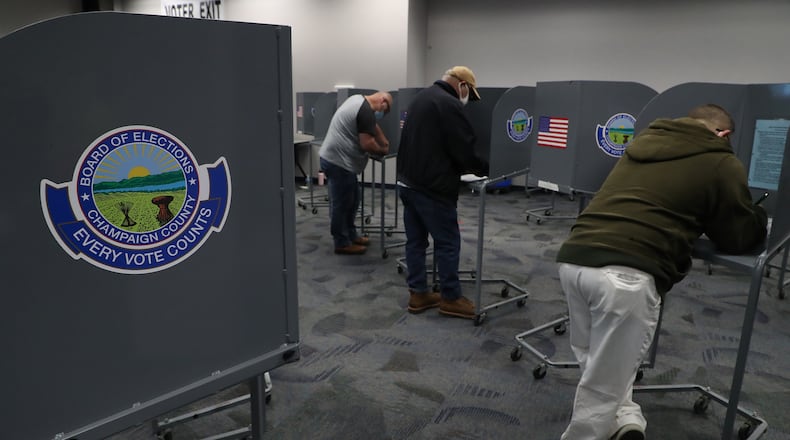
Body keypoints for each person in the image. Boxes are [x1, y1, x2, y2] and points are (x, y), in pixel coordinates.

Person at [555, 104, 768, 440]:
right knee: (603, 384)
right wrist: (757, 216)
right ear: (724, 134)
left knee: (599, 359)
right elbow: (737, 235)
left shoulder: (643, 144)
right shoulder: (721, 160)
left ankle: (626, 419)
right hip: (627, 274)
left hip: (575, 259)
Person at [396, 66, 488, 319]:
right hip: (432, 188)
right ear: (462, 85)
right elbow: (463, 149)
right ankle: (450, 298)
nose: (469, 100)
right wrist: (485, 167)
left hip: (407, 182)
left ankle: (418, 294)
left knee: (415, 242)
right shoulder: (448, 104)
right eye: (470, 93)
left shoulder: (422, 97)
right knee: (447, 242)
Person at [319, 91, 392, 254]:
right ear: (382, 100)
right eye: (385, 110)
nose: (381, 114)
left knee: (352, 201)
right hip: (338, 162)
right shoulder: (365, 110)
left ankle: (351, 235)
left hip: (338, 161)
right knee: (342, 204)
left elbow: (372, 125)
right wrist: (382, 150)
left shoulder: (358, 100)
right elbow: (367, 144)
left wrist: (384, 140)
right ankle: (341, 242)